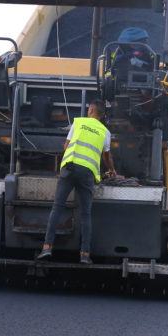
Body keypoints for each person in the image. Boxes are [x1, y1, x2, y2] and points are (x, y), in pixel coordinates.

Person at [36, 100, 120, 264]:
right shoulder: (105, 132)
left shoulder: (78, 122)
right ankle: (85, 255)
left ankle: (47, 247)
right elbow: (107, 156)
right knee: (85, 214)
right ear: (102, 116)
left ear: (90, 110)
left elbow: (66, 146)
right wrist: (113, 170)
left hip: (70, 168)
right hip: (87, 173)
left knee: (57, 207)